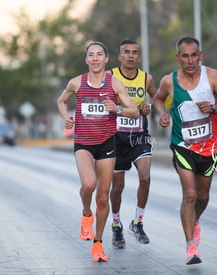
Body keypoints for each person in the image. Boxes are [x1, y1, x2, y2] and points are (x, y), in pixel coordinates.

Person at [152, 36, 217, 265]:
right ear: (177, 57)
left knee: (203, 195)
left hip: (209, 145)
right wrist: (163, 114)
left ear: (201, 55)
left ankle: (195, 220)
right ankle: (190, 247)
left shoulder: (213, 76)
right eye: (185, 56)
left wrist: (214, 107)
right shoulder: (169, 81)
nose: (189, 60)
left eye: (194, 55)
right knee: (189, 194)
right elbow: (158, 99)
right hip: (182, 145)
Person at [56, 41, 138, 262]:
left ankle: (98, 244)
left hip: (107, 144)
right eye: (91, 55)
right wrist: (66, 117)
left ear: (106, 59)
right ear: (86, 60)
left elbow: (135, 112)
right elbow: (61, 100)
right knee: (89, 185)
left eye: (99, 54)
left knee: (103, 198)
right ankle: (85, 214)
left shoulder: (115, 84)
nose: (95, 58)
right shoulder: (76, 82)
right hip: (83, 143)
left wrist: (118, 109)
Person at [109, 39, 157, 249]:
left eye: (134, 52)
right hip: (116, 137)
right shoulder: (110, 76)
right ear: (120, 57)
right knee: (118, 186)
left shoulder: (146, 78)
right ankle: (117, 223)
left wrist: (149, 106)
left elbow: (157, 97)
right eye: (126, 52)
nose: (130, 56)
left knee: (145, 177)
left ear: (139, 57)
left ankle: (137, 222)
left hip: (139, 135)